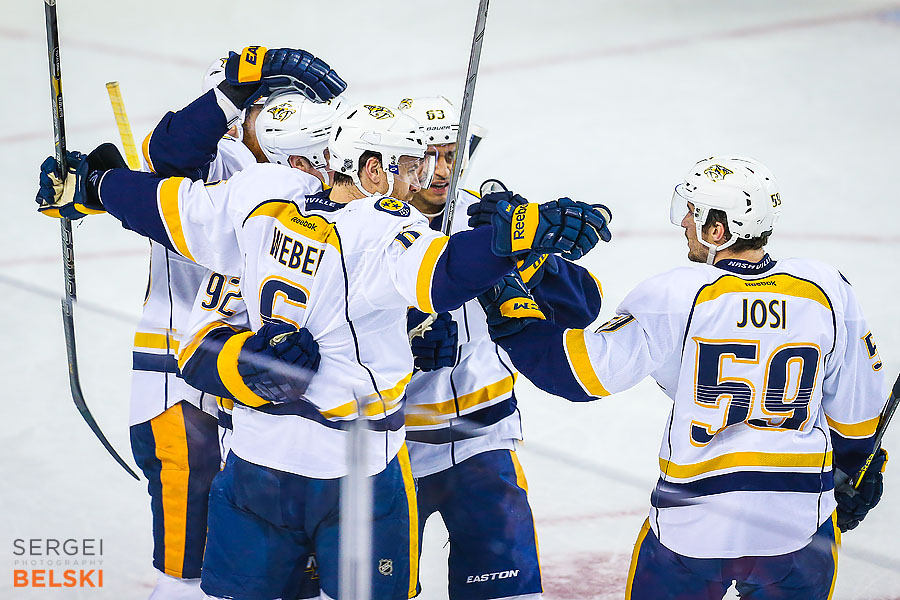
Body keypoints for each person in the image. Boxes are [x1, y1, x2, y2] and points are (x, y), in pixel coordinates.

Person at [34, 50, 611, 597]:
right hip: (354, 457)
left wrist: (96, 184)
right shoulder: (371, 224)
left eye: (442, 155)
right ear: (369, 166)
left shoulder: (262, 201)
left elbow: (167, 206)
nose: (432, 172)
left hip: (462, 445)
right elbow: (438, 272)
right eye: (416, 160)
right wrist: (251, 364)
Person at [476, 156, 888, 599]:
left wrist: (513, 314)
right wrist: (859, 470)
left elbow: (579, 375)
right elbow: (859, 414)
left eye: (694, 213)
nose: (685, 223)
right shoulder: (826, 287)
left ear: (718, 230)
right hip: (797, 525)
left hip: (694, 526)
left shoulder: (676, 294)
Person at [126, 50, 343, 600]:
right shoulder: (213, 163)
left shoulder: (306, 166)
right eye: (267, 104)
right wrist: (233, 89)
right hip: (184, 386)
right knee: (191, 566)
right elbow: (168, 154)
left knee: (284, 563)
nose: (289, 116)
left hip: (273, 396)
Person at [397, 96, 605, 600]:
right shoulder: (368, 226)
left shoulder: (493, 218)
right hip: (393, 448)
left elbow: (583, 305)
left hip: (484, 441)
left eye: (453, 154)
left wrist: (537, 254)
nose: (443, 170)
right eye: (429, 157)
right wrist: (405, 342)